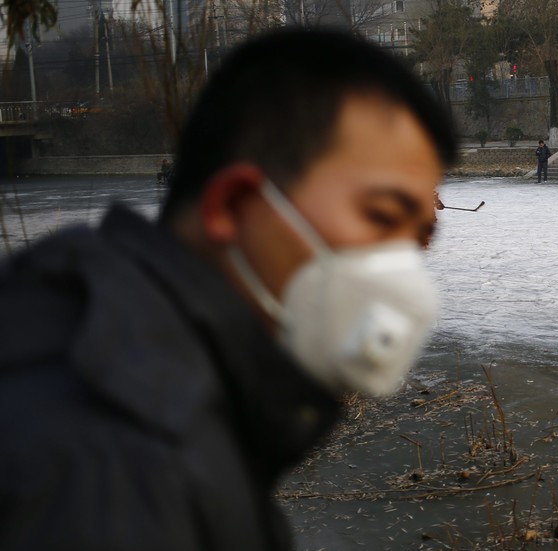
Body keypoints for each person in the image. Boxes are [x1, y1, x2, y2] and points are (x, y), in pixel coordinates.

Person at [0, 28, 457, 550]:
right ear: (233, 206)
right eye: (380, 216)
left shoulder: (167, 394)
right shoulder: (112, 469)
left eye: (419, 237)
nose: (402, 268)